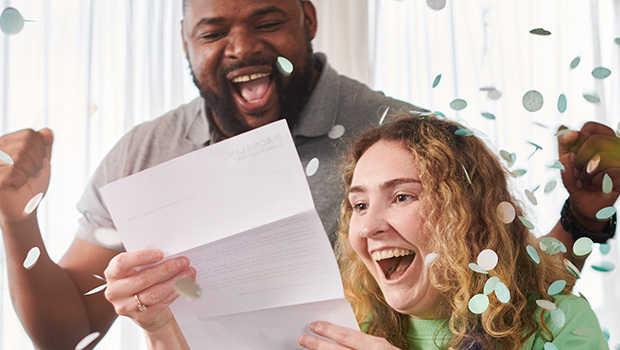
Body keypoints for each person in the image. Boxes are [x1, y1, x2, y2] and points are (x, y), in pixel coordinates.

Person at [0, 0, 616, 348]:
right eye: (214, 31)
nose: (242, 47)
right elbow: (68, 334)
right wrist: (18, 219)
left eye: (266, 21)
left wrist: (582, 220)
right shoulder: (143, 153)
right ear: (185, 43)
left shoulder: (400, 133)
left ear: (308, 18)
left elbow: (513, 284)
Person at [298, 114, 611, 349]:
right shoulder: (345, 329)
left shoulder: (559, 324)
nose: (367, 227)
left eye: (402, 197)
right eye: (360, 205)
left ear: (469, 212)